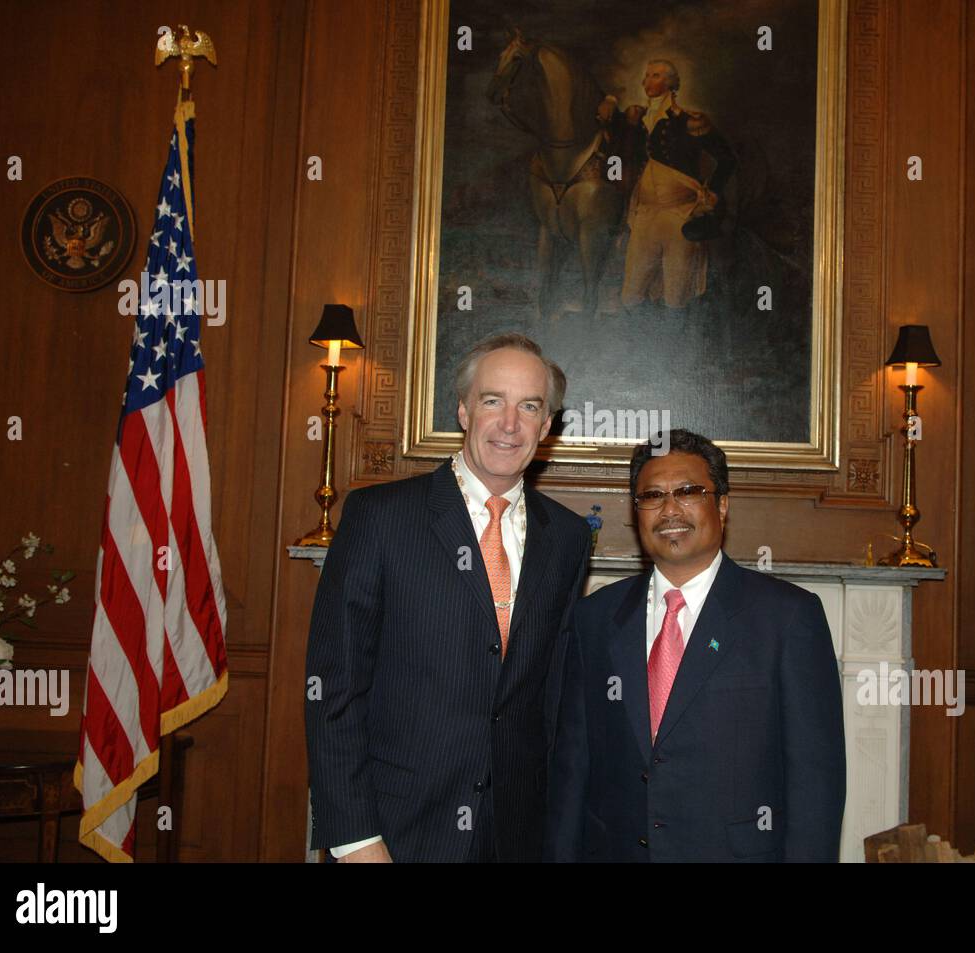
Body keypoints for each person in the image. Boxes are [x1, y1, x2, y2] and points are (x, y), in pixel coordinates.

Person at [305, 333, 591, 862]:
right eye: (492, 401)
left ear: (546, 426)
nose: (510, 424)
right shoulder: (381, 517)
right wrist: (355, 841)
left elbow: (551, 700)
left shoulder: (569, 538)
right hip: (394, 834)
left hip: (516, 837)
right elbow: (333, 687)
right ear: (462, 411)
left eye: (529, 406)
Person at [546, 429, 845, 861]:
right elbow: (572, 770)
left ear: (721, 504)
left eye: (688, 491)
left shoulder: (788, 618)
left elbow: (816, 783)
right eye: (652, 496)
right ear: (636, 513)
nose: (669, 509)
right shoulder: (594, 618)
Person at [598, 60, 736, 310]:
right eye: (647, 75)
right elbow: (614, 143)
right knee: (630, 295)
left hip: (679, 215)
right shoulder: (636, 118)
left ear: (671, 83)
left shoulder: (689, 121)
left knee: (676, 295)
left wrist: (713, 193)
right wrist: (611, 102)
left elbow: (727, 159)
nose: (648, 81)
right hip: (645, 214)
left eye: (657, 75)